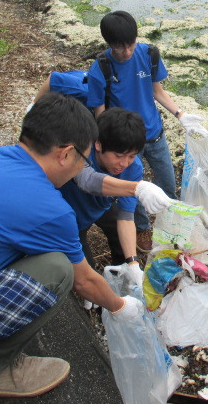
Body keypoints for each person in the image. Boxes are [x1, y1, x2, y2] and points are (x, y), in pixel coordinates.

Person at [0, 93, 169, 398]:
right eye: (82, 159)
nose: (81, 169)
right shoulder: (49, 208)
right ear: (65, 154)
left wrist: (131, 256)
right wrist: (120, 307)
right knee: (57, 269)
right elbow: (85, 281)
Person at [85, 10, 208, 238]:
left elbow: (157, 91)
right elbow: (100, 113)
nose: (127, 52)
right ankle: (142, 229)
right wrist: (102, 144)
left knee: (167, 183)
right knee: (136, 189)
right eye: (119, 47)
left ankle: (171, 225)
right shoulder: (100, 68)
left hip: (154, 134)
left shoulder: (149, 54)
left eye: (131, 44)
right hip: (126, 142)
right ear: (109, 43)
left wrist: (180, 114)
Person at [59, 107, 147, 289]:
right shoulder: (81, 150)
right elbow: (88, 181)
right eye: (119, 156)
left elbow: (126, 216)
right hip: (70, 215)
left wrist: (133, 263)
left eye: (131, 156)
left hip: (100, 207)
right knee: (86, 273)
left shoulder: (133, 168)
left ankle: (122, 278)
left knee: (121, 237)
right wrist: (138, 188)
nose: (124, 163)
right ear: (98, 144)